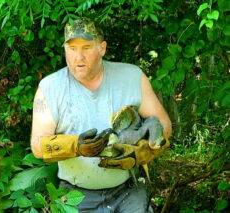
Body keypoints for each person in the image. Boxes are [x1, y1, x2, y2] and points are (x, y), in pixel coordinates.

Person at [31, 17, 172, 213]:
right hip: (76, 195)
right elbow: (38, 146)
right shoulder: (50, 88)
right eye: (72, 49)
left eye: (87, 47)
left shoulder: (131, 77)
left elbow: (164, 124)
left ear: (102, 48)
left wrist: (142, 152)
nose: (78, 56)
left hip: (128, 190)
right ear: (65, 50)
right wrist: (76, 146)